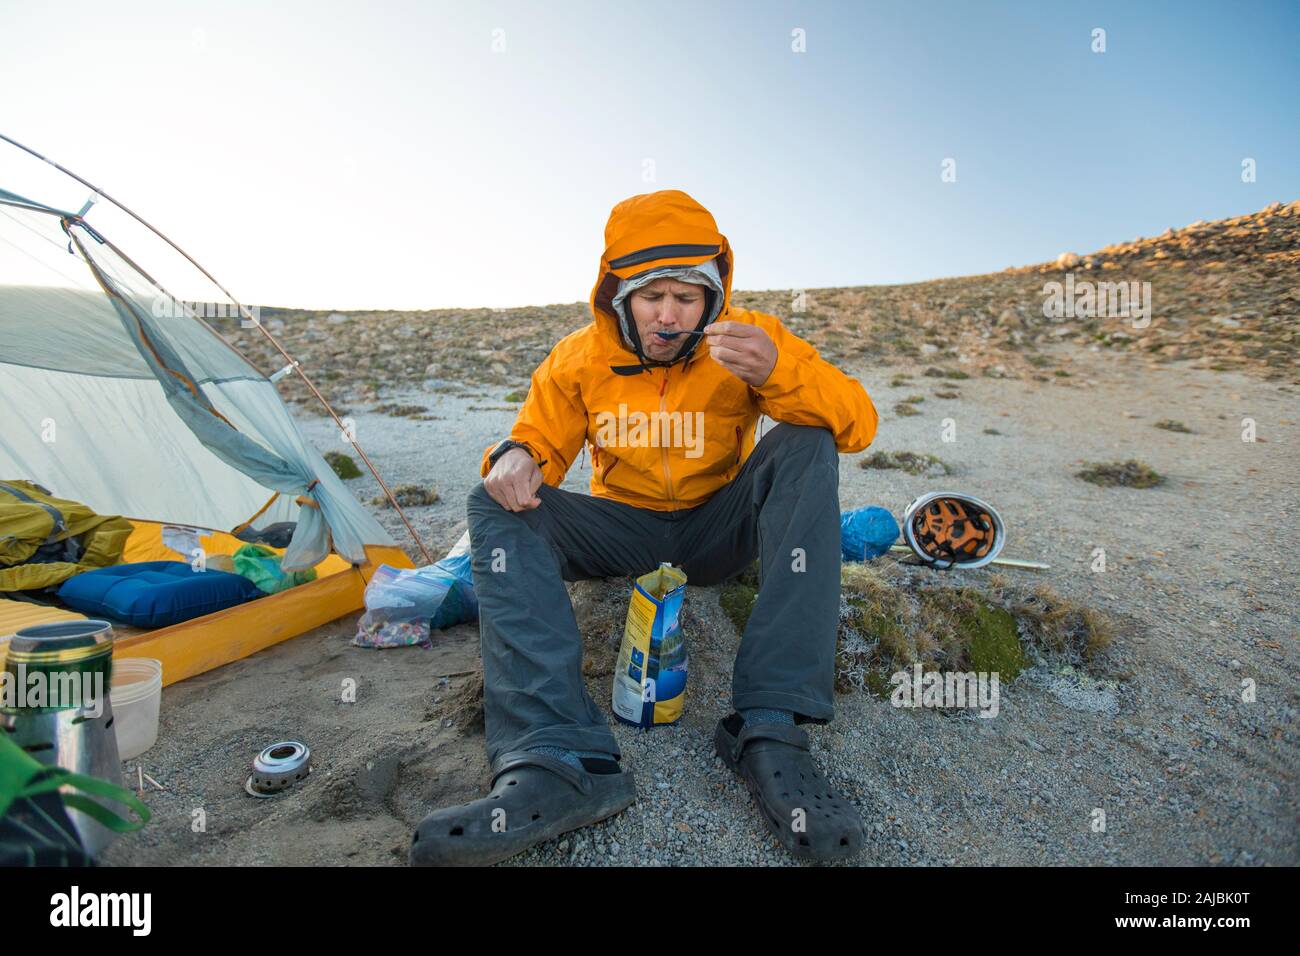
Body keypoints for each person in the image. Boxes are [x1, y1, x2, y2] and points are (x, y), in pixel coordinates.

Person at [410, 189, 879, 866]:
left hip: (716, 528)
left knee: (807, 442)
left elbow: (859, 425)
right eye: (650, 294)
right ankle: (557, 759)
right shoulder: (578, 358)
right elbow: (536, 441)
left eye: (687, 296)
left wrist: (781, 372)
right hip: (622, 531)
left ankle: (771, 728)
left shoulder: (754, 339)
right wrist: (516, 457)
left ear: (713, 298)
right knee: (491, 501)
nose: (668, 312)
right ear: (618, 297)